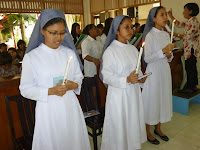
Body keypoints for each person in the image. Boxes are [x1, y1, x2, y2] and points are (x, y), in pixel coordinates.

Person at [19, 9, 90, 150]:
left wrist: (73, 85)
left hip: (70, 106)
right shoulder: (32, 57)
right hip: (48, 110)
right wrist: (51, 91)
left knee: (73, 141)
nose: (59, 38)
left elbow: (78, 77)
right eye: (53, 33)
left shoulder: (69, 52)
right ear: (42, 31)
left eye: (62, 33)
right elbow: (25, 89)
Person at [101, 15, 147, 150]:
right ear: (116, 31)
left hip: (133, 94)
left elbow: (136, 69)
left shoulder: (133, 49)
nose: (130, 30)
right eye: (126, 27)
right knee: (120, 128)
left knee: (132, 123)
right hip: (118, 96)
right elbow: (106, 77)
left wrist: (141, 78)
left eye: (131, 27)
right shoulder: (110, 51)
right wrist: (126, 79)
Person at [142, 6, 175, 145]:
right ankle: (147, 132)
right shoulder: (150, 36)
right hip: (154, 72)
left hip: (164, 71)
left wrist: (169, 55)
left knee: (162, 99)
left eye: (165, 15)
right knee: (152, 101)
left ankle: (159, 128)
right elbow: (147, 58)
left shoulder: (166, 34)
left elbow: (170, 56)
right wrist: (163, 51)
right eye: (162, 15)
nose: (165, 18)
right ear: (154, 19)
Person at [168, 3, 200, 92]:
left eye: (185, 10)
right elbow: (179, 24)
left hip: (191, 49)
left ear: (190, 11)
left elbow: (187, 36)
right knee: (191, 67)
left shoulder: (194, 22)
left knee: (190, 68)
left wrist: (174, 34)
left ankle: (190, 87)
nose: (183, 12)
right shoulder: (190, 21)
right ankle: (192, 85)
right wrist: (171, 16)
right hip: (189, 48)